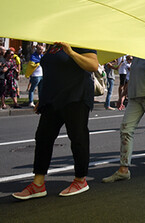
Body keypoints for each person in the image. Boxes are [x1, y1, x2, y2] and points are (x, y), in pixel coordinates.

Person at [12, 42, 98, 200]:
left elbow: (93, 65)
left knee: (78, 138)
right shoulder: (53, 45)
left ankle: (80, 180)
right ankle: (38, 184)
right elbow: (52, 73)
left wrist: (71, 52)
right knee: (43, 137)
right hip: (52, 99)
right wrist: (43, 98)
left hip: (76, 97)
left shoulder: (81, 41)